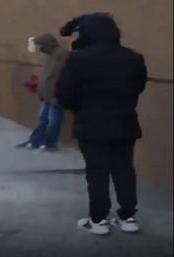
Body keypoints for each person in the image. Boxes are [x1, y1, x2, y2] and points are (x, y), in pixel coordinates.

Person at [55, 13, 147, 236]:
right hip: (124, 122)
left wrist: (80, 108)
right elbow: (138, 87)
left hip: (90, 123)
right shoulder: (133, 58)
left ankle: (98, 220)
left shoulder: (78, 59)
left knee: (97, 172)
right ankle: (127, 217)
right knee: (124, 170)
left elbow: (63, 93)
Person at [16, 34, 69, 151]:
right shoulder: (49, 56)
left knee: (53, 120)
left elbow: (58, 76)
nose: (39, 49)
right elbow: (46, 76)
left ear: (47, 45)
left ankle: (49, 143)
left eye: (40, 46)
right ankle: (36, 140)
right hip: (47, 94)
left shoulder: (61, 54)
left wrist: (56, 94)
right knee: (44, 118)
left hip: (56, 94)